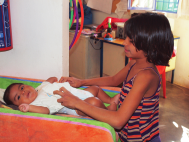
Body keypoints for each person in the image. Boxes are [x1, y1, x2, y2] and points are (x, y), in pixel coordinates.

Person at [54, 12, 174, 142]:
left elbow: (118, 121)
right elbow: (113, 80)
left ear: (151, 45)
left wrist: (78, 103)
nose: (125, 43)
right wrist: (81, 81)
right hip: (127, 136)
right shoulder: (134, 62)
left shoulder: (146, 76)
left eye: (131, 41)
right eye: (126, 37)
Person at [3, 77, 119, 116]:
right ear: (19, 105)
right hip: (76, 107)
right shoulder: (35, 104)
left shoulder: (40, 87)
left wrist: (52, 79)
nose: (23, 92)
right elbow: (45, 111)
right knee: (94, 102)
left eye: (22, 88)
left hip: (79, 93)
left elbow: (49, 81)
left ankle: (109, 99)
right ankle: (107, 111)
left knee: (95, 88)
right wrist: (29, 108)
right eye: (18, 97)